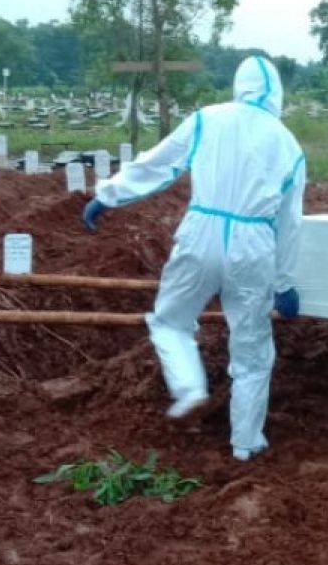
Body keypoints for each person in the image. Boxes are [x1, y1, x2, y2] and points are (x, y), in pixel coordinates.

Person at [81, 55, 306, 461]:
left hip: (202, 230)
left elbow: (160, 163)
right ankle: (245, 444)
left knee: (170, 322)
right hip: (254, 245)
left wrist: (108, 194)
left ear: (239, 85)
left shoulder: (208, 119)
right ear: (277, 94)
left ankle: (188, 390)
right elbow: (291, 222)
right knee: (252, 348)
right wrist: (284, 283)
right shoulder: (287, 143)